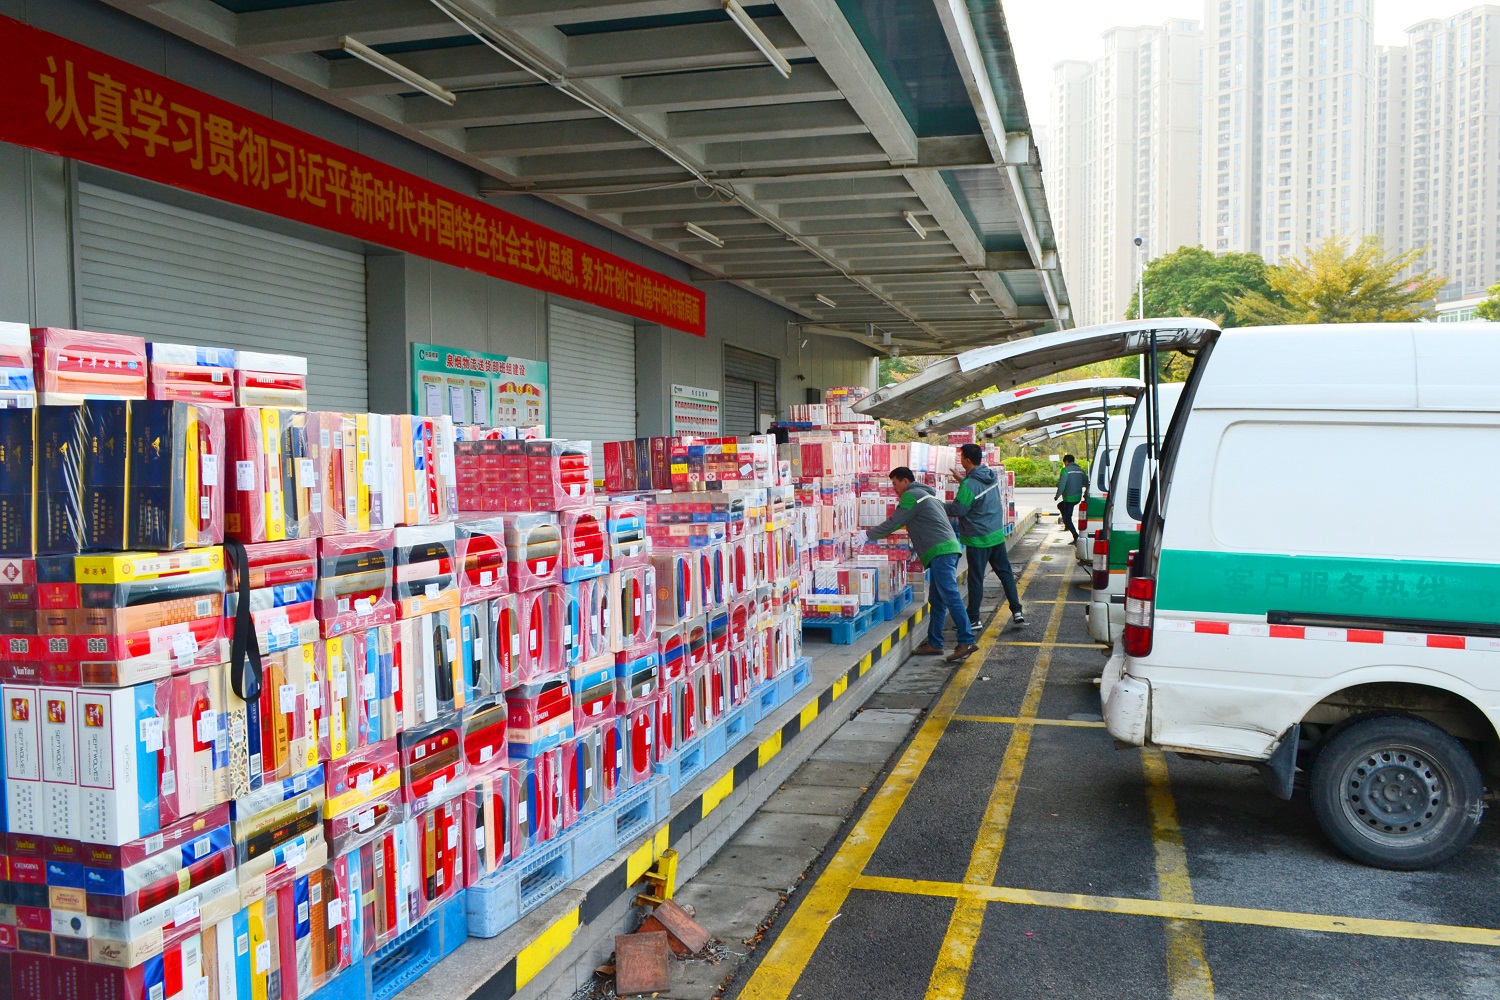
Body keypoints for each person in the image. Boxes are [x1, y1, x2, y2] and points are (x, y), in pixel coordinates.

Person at [856, 467, 976, 662]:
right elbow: (925, 523)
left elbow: (895, 522)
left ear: (905, 481)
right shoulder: (928, 495)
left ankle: (967, 640)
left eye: (895, 483)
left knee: (950, 595)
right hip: (946, 549)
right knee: (937, 600)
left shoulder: (912, 496)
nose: (894, 488)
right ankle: (935, 643)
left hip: (941, 552)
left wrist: (867, 534)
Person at [947, 444, 1025, 627]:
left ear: (966, 459)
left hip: (978, 538)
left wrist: (935, 504)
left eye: (961, 457)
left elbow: (959, 508)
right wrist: (962, 480)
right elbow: (978, 494)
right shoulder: (989, 475)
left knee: (976, 578)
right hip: (995, 534)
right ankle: (1017, 610)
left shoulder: (969, 484)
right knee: (1005, 573)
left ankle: (974, 618)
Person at [1055, 453, 1087, 542]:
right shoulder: (1081, 470)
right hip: (1077, 497)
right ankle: (1066, 524)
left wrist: (1057, 496)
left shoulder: (1065, 470)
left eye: (1064, 462)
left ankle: (1076, 537)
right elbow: (1086, 481)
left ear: (1066, 462)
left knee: (1067, 518)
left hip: (1069, 498)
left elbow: (1062, 484)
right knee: (1060, 506)